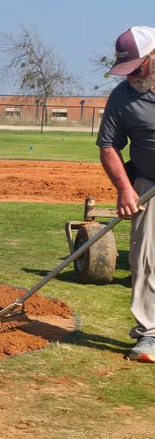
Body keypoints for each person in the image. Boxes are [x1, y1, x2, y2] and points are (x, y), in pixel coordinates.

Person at [96, 25, 155, 362]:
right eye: (126, 70)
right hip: (148, 182)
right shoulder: (122, 97)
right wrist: (124, 189)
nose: (131, 77)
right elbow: (108, 146)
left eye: (137, 68)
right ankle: (151, 333)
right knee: (146, 258)